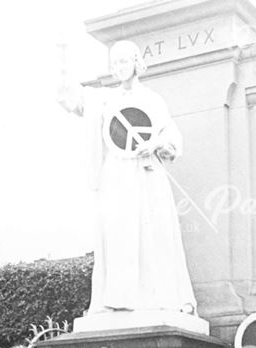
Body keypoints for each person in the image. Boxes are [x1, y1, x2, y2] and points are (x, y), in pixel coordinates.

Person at [57, 40, 198, 316]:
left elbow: (171, 137)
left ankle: (157, 298)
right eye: (115, 62)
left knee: (152, 233)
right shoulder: (104, 99)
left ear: (136, 62)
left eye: (124, 61)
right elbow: (70, 98)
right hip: (116, 176)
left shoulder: (152, 100)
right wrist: (62, 59)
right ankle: (119, 298)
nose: (120, 67)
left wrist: (156, 144)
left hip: (146, 174)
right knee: (118, 234)